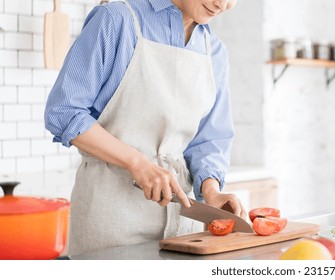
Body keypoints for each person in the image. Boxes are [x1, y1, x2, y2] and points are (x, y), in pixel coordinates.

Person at [44, 0, 245, 255]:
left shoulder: (214, 51)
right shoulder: (116, 20)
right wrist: (137, 163)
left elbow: (209, 139)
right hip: (111, 220)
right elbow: (64, 111)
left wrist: (212, 191)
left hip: (182, 226)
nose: (223, 4)